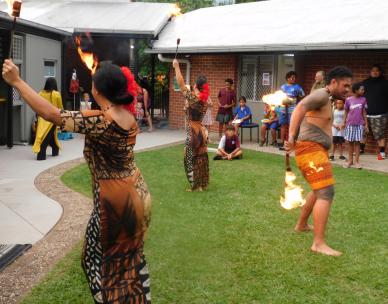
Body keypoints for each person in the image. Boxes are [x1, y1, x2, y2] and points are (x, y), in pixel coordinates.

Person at [2, 59, 152, 303]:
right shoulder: (127, 115)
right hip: (138, 194)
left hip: (115, 204)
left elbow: (50, 113)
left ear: (97, 90)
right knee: (128, 260)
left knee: (99, 265)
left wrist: (16, 81)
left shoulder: (101, 121)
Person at [285, 66, 353, 257]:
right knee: (326, 191)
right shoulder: (322, 95)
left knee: (319, 189)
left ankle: (301, 225)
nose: (348, 90)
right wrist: (291, 136)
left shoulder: (328, 98)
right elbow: (300, 107)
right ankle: (318, 243)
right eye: (345, 85)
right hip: (310, 150)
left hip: (316, 151)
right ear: (333, 83)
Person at [173, 58, 209, 192]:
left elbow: (181, 84)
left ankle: (194, 186)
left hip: (193, 132)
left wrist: (176, 66)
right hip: (201, 130)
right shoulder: (204, 101)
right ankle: (201, 184)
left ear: (195, 86)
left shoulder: (194, 99)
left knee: (189, 158)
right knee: (200, 157)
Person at [32, 77, 63, 160]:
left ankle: (52, 151)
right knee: (47, 137)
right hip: (52, 119)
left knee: (43, 136)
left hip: (42, 118)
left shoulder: (40, 93)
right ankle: (43, 155)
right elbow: (60, 108)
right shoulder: (56, 94)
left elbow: (37, 106)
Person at [362, 64, 388, 160]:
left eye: (377, 70)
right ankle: (361, 149)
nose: (374, 72)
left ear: (380, 72)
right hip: (365, 114)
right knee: (363, 133)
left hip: (380, 114)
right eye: (373, 70)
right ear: (370, 72)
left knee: (379, 134)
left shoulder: (385, 83)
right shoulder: (365, 83)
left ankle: (382, 153)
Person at [343, 83, 369, 169]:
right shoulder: (348, 100)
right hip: (349, 124)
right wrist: (344, 122)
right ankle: (350, 161)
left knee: (358, 143)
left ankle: (357, 162)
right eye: (362, 89)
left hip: (359, 125)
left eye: (363, 89)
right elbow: (346, 111)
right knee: (350, 143)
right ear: (356, 90)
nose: (363, 91)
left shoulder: (363, 99)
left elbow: (364, 112)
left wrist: (366, 124)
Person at [279, 71, 305, 150]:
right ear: (287, 78)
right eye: (292, 77)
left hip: (292, 108)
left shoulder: (297, 87)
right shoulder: (283, 87)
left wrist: (297, 103)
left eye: (294, 78)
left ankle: (292, 142)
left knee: (292, 125)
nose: (294, 79)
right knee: (283, 125)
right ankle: (282, 142)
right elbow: (279, 96)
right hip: (283, 108)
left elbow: (303, 95)